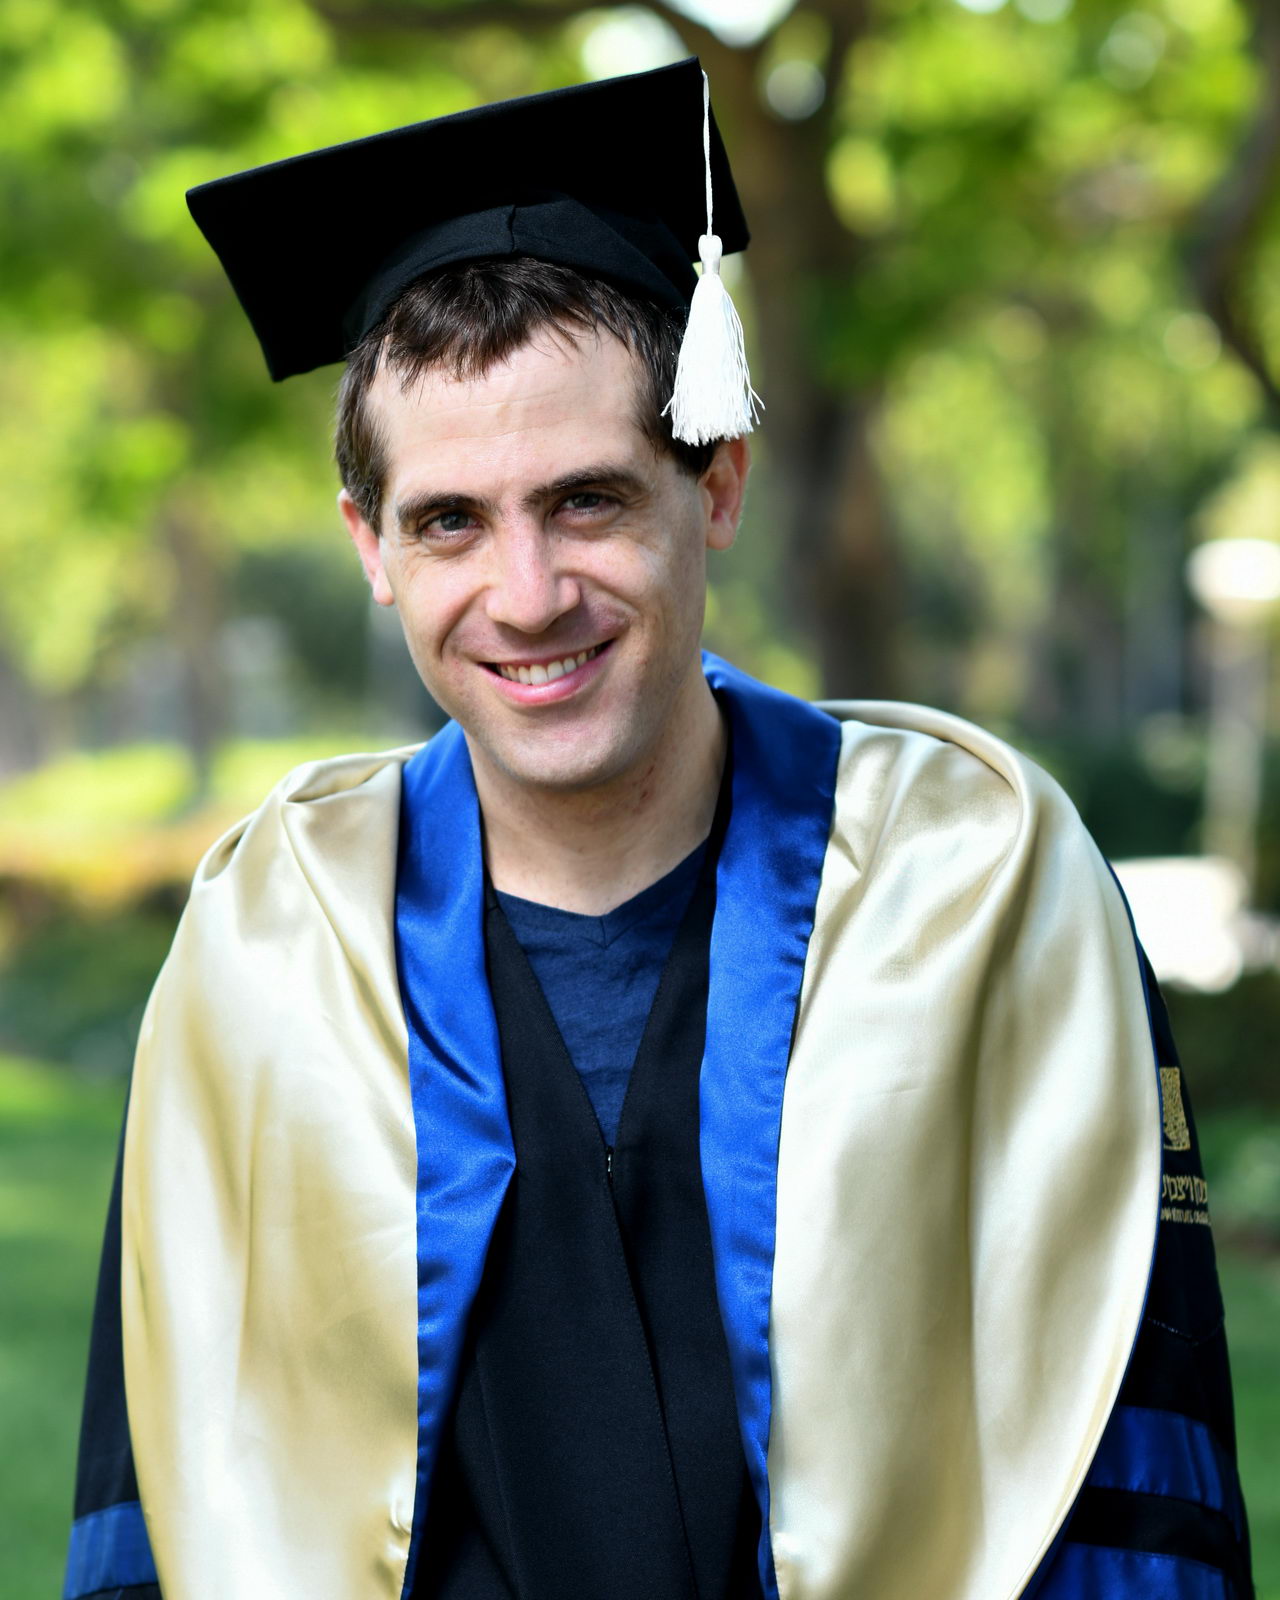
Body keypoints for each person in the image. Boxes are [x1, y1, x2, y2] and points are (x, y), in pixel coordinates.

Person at [66, 58, 1251, 1600]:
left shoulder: (973, 888)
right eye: (449, 521)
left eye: (589, 501)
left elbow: (1121, 1458)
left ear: (719, 483)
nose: (528, 595)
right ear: (371, 547)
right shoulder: (267, 943)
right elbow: (163, 1493)